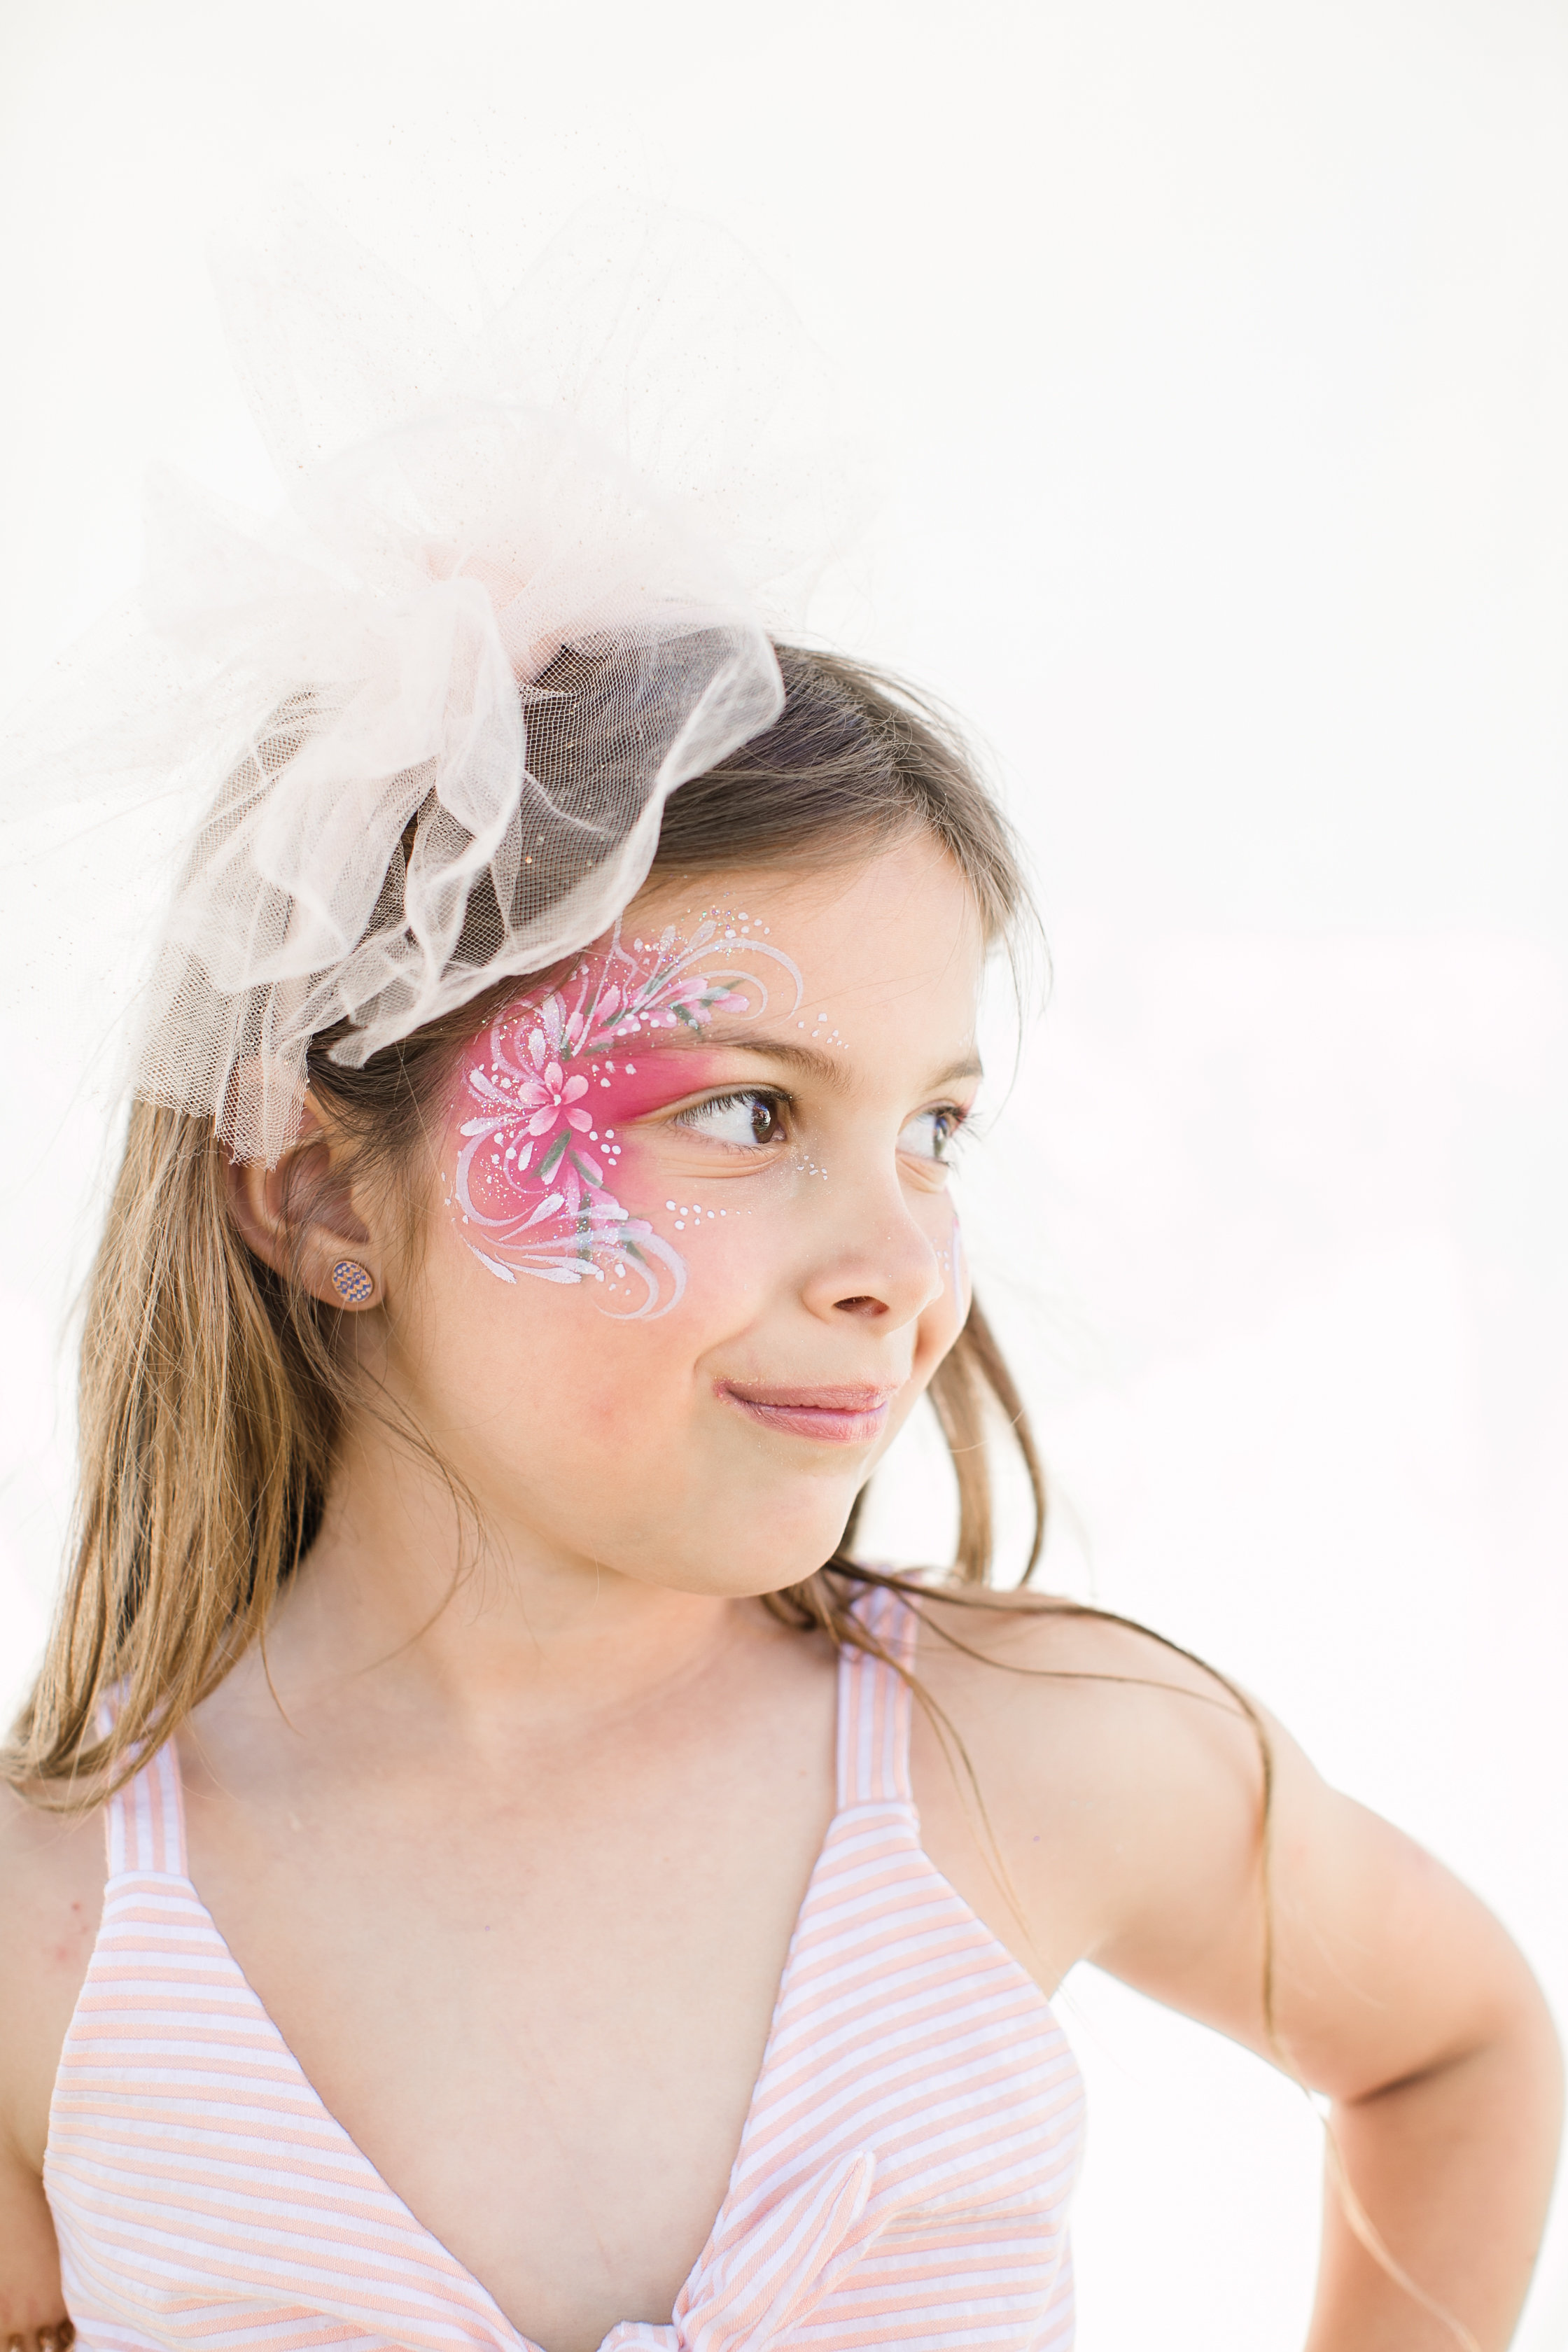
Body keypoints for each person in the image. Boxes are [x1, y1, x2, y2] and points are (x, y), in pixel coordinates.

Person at [0, 287, 1560, 2352]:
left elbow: (1456, 2051)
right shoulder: (54, 1946)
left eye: (934, 1130)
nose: (900, 1262)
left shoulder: (1029, 1758)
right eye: (744, 1110)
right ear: (316, 1190)